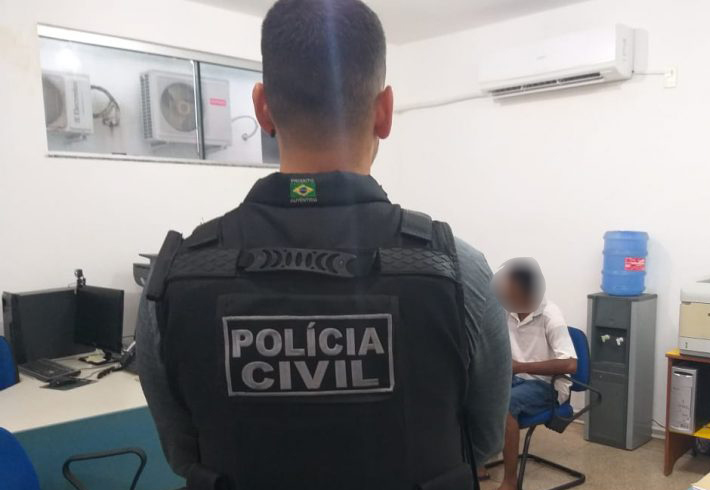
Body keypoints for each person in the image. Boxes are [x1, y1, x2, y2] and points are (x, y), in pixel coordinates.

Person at [136, 1, 510, 489]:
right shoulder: (460, 271)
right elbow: (481, 442)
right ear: (385, 112)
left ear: (262, 108)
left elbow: (183, 454)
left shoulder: (174, 279)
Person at [490, 258, 577, 490]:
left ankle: (510, 481)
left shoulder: (550, 314)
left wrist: (521, 367)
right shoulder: (505, 310)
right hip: (514, 378)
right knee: (474, 393)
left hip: (547, 385)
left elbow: (570, 364)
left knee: (505, 405)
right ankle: (479, 461)